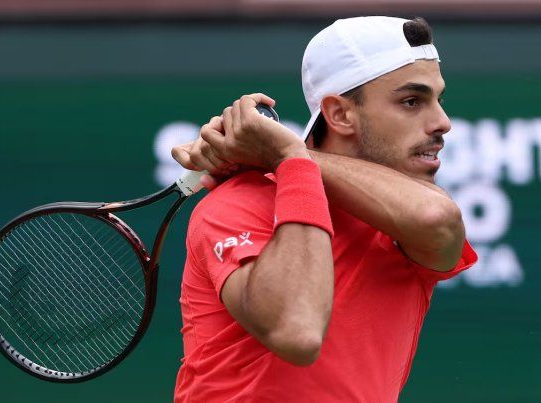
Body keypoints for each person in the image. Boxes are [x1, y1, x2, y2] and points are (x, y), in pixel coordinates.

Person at [171, 16, 477, 402]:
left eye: (438, 99)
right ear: (339, 114)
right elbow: (296, 332)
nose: (442, 122)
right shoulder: (238, 203)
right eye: (412, 101)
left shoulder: (403, 219)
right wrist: (288, 160)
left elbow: (437, 219)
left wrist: (286, 157)